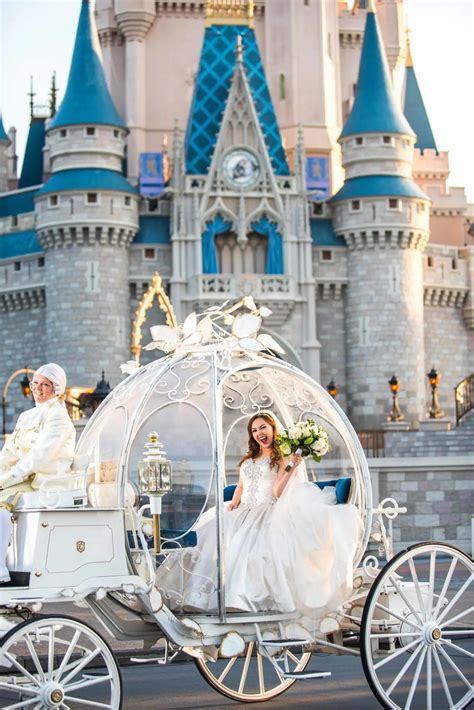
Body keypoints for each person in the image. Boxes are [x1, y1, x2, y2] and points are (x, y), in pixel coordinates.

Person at [155, 412, 360, 631]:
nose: (259, 433)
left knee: (246, 553)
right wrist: (233, 504)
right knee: (210, 542)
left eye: (263, 428)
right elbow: (241, 486)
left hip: (265, 512)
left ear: (273, 429)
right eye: (254, 430)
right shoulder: (250, 459)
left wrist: (292, 466)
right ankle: (196, 598)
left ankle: (239, 601)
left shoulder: (282, 458)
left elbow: (278, 492)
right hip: (243, 510)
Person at [0, 364, 76, 583]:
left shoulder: (58, 418)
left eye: (46, 385)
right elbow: (10, 452)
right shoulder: (26, 416)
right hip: (24, 478)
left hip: (45, 481)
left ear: (57, 389)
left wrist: (8, 478)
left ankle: (1, 569)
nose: (38, 389)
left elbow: (40, 457)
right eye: (35, 383)